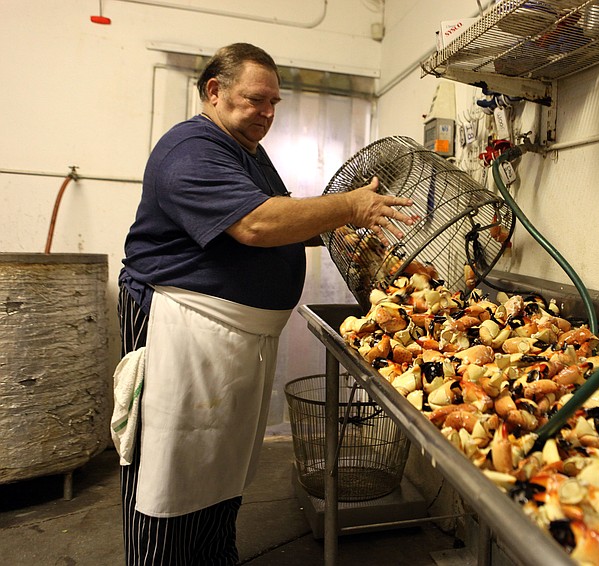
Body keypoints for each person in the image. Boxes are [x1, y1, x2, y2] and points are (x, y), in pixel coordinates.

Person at [116, 42, 415, 565]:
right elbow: (255, 224)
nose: (268, 114)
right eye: (256, 100)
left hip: (230, 338)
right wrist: (349, 204)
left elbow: (281, 219)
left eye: (274, 102)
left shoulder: (247, 152)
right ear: (215, 91)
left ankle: (212, 557)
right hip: (182, 328)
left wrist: (342, 229)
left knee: (219, 464)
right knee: (171, 469)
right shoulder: (190, 149)